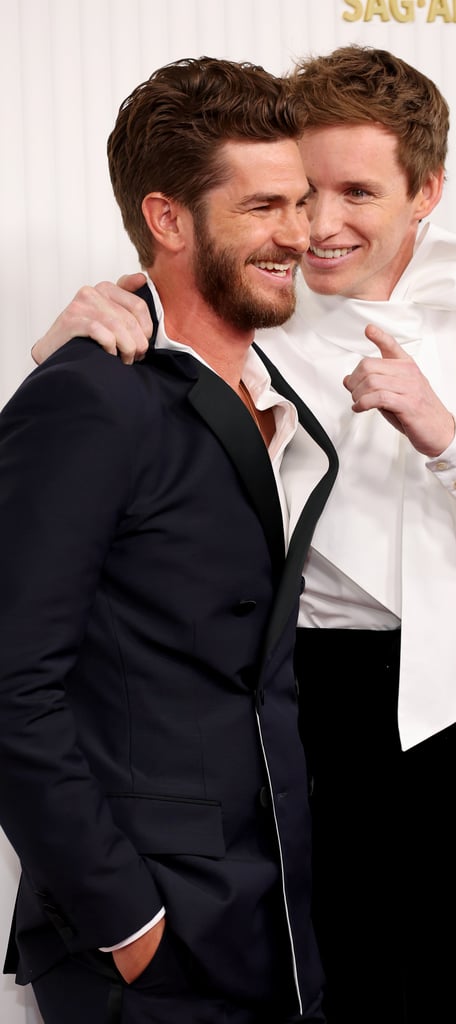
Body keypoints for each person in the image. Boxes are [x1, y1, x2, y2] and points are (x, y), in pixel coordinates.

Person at [31, 45, 456, 1023]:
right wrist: (70, 332)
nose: (321, 224)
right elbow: (107, 401)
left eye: (357, 192)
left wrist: (443, 433)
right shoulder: (241, 291)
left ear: (423, 191)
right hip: (300, 719)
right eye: (303, 193)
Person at [0, 56, 339, 1024]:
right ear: (167, 219)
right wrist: (123, 917)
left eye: (302, 200)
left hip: (273, 910)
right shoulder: (88, 398)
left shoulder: (283, 388)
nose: (300, 233)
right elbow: (10, 680)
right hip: (154, 935)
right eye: (264, 206)